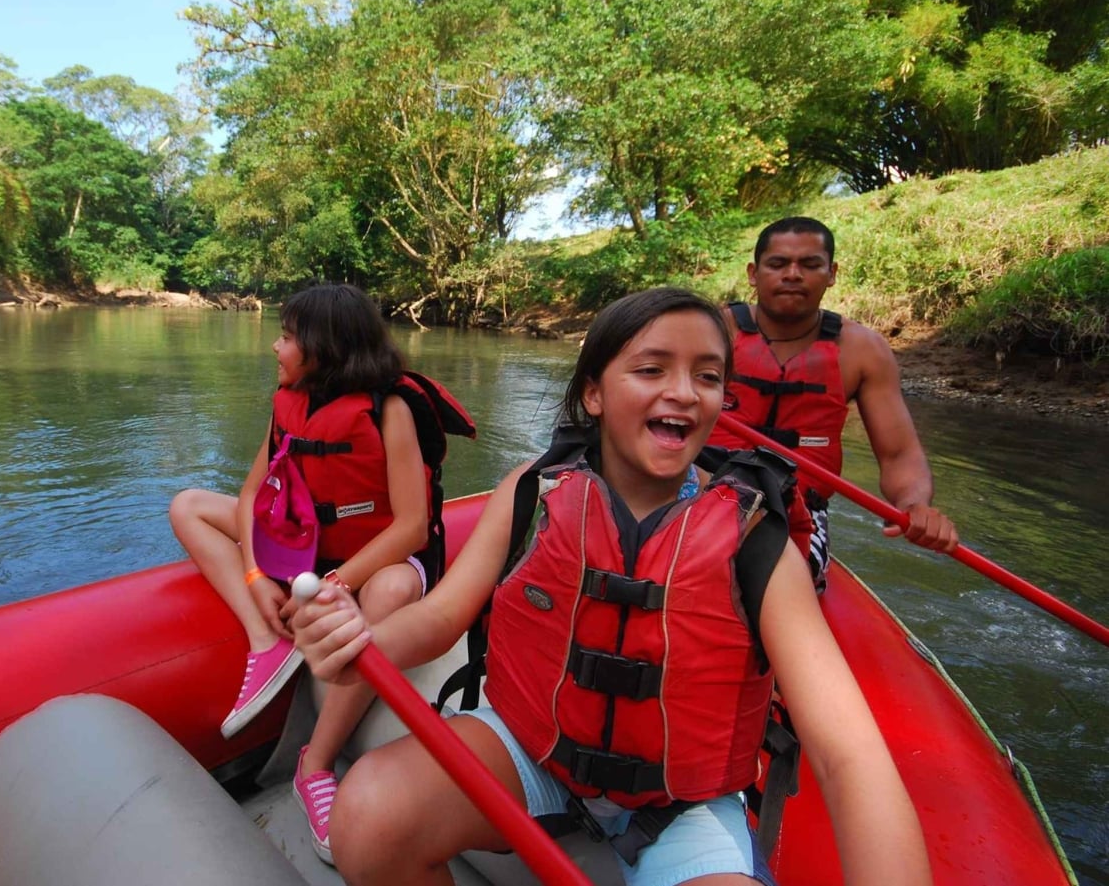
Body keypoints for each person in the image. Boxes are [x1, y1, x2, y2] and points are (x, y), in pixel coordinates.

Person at [291, 287, 932, 886]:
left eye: (707, 376)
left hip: (683, 799)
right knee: (369, 817)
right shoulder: (533, 491)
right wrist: (359, 647)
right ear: (594, 393)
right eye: (651, 370)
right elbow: (439, 619)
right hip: (530, 745)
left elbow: (849, 757)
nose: (683, 392)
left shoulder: (755, 537)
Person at [169, 282, 471, 865]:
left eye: (286, 336)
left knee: (390, 589)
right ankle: (267, 643)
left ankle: (316, 763)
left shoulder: (391, 409)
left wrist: (341, 584)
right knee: (187, 506)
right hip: (309, 551)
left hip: (381, 556)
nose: (275, 347)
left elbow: (410, 525)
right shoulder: (291, 399)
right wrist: (258, 579)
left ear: (322, 346)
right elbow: (252, 493)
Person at [706, 215, 958, 583]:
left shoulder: (863, 351)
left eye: (810, 265)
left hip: (798, 509)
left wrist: (913, 505)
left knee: (771, 573)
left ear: (832, 273)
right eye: (777, 264)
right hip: (700, 487)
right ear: (753, 273)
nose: (793, 274)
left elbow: (899, 454)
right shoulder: (709, 330)